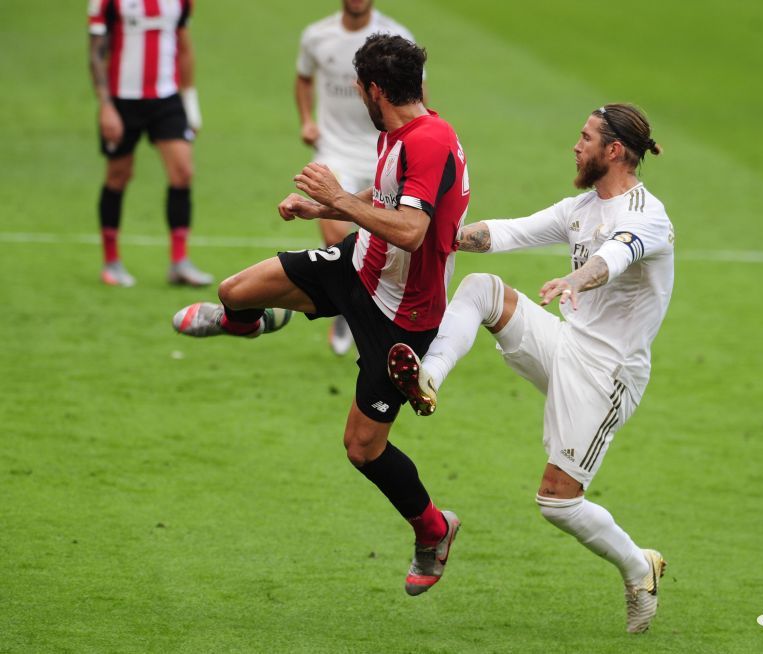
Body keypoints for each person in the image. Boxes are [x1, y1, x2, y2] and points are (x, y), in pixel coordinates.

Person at [173, 35, 470, 596]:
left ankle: (434, 530)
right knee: (235, 290)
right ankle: (249, 321)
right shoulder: (402, 131)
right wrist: (325, 207)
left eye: (360, 88)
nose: (359, 96)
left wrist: (336, 194)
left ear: (375, 90)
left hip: (401, 317)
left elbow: (411, 230)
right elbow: (387, 197)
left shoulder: (428, 141)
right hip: (356, 265)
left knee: (363, 449)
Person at [387, 104, 673, 632]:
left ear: (613, 151)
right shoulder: (582, 208)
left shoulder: (646, 214)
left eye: (585, 138)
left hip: (608, 377)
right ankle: (429, 378)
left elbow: (616, 256)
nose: (576, 145)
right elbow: (509, 232)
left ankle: (639, 566)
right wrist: (436, 234)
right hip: (567, 344)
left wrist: (576, 281)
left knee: (558, 503)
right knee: (482, 289)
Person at [296, 0, 418, 355]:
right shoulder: (317, 35)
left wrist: (418, 138)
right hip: (335, 149)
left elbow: (417, 94)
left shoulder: (396, 37)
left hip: (385, 148)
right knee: (335, 229)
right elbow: (303, 80)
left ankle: (355, 298)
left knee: (393, 236)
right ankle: (348, 306)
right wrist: (306, 119)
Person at [88, 0, 212, 287]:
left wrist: (190, 103)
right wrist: (106, 106)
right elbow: (96, 52)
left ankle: (179, 262)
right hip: (122, 101)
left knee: (183, 173)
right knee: (118, 176)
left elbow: (184, 46)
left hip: (166, 100)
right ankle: (111, 261)